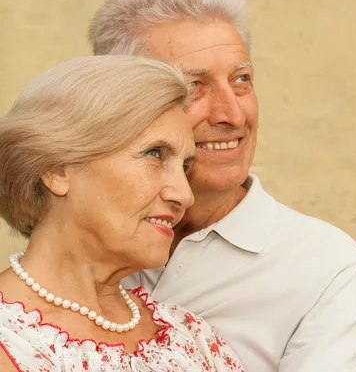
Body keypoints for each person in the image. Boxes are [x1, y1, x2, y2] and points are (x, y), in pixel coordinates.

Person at [89, 0, 356, 372]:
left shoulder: (322, 263)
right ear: (119, 102)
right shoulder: (82, 228)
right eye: (193, 86)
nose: (233, 114)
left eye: (242, 80)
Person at [0, 55, 246, 371]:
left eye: (184, 167)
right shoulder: (12, 338)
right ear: (57, 170)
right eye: (155, 154)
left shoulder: (190, 335)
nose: (184, 195)